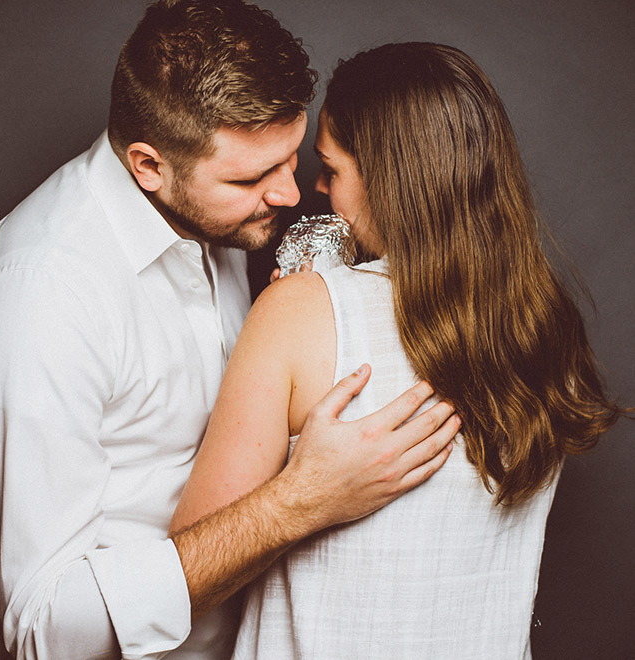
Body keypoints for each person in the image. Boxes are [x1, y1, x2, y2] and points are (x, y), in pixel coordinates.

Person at [0, 6, 460, 660]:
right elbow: (42, 629)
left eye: (290, 158)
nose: (289, 194)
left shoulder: (215, 217)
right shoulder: (42, 295)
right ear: (149, 165)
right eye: (250, 177)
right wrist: (296, 502)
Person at [170, 42, 625, 659]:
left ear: (389, 176)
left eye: (331, 169)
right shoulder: (541, 325)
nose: (318, 189)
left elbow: (182, 580)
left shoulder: (303, 310)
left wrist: (305, 305)